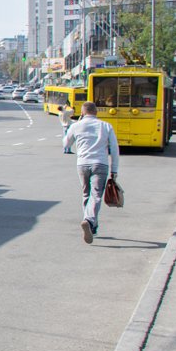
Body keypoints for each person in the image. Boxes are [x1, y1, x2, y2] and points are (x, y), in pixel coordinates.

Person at [63, 101, 120, 244]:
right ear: (96, 112)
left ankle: (92, 225)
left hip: (82, 164)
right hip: (100, 164)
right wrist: (114, 169)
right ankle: (89, 220)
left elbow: (66, 144)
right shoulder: (106, 126)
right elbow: (114, 149)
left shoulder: (76, 126)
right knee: (96, 195)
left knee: (86, 194)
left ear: (82, 113)